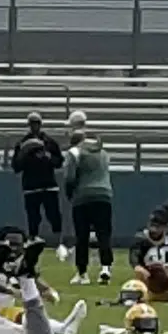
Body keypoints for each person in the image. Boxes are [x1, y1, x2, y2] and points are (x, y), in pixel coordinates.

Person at [60, 111, 115, 285]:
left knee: (82, 236)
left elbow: (69, 177)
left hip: (83, 196)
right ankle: (106, 268)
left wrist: (70, 193)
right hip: (104, 195)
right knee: (103, 234)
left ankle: (82, 273)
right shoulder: (103, 152)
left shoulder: (74, 152)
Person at [8, 112, 66, 257]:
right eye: (32, 124)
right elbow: (16, 166)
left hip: (48, 184)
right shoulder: (22, 143)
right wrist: (24, 156)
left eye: (36, 123)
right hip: (31, 186)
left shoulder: (49, 142)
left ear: (40, 124)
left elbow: (59, 161)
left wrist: (48, 157)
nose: (34, 126)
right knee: (33, 217)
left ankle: (59, 243)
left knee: (54, 215)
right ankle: (33, 240)